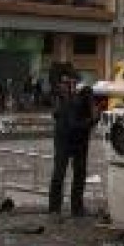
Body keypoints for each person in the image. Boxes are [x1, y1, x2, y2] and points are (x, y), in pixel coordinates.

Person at [49, 76, 96, 217]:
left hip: (77, 140)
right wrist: (93, 120)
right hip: (66, 139)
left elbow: (58, 115)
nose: (65, 86)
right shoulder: (65, 99)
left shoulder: (80, 97)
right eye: (64, 83)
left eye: (68, 83)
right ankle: (55, 208)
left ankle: (75, 207)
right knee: (60, 173)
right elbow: (72, 123)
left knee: (78, 174)